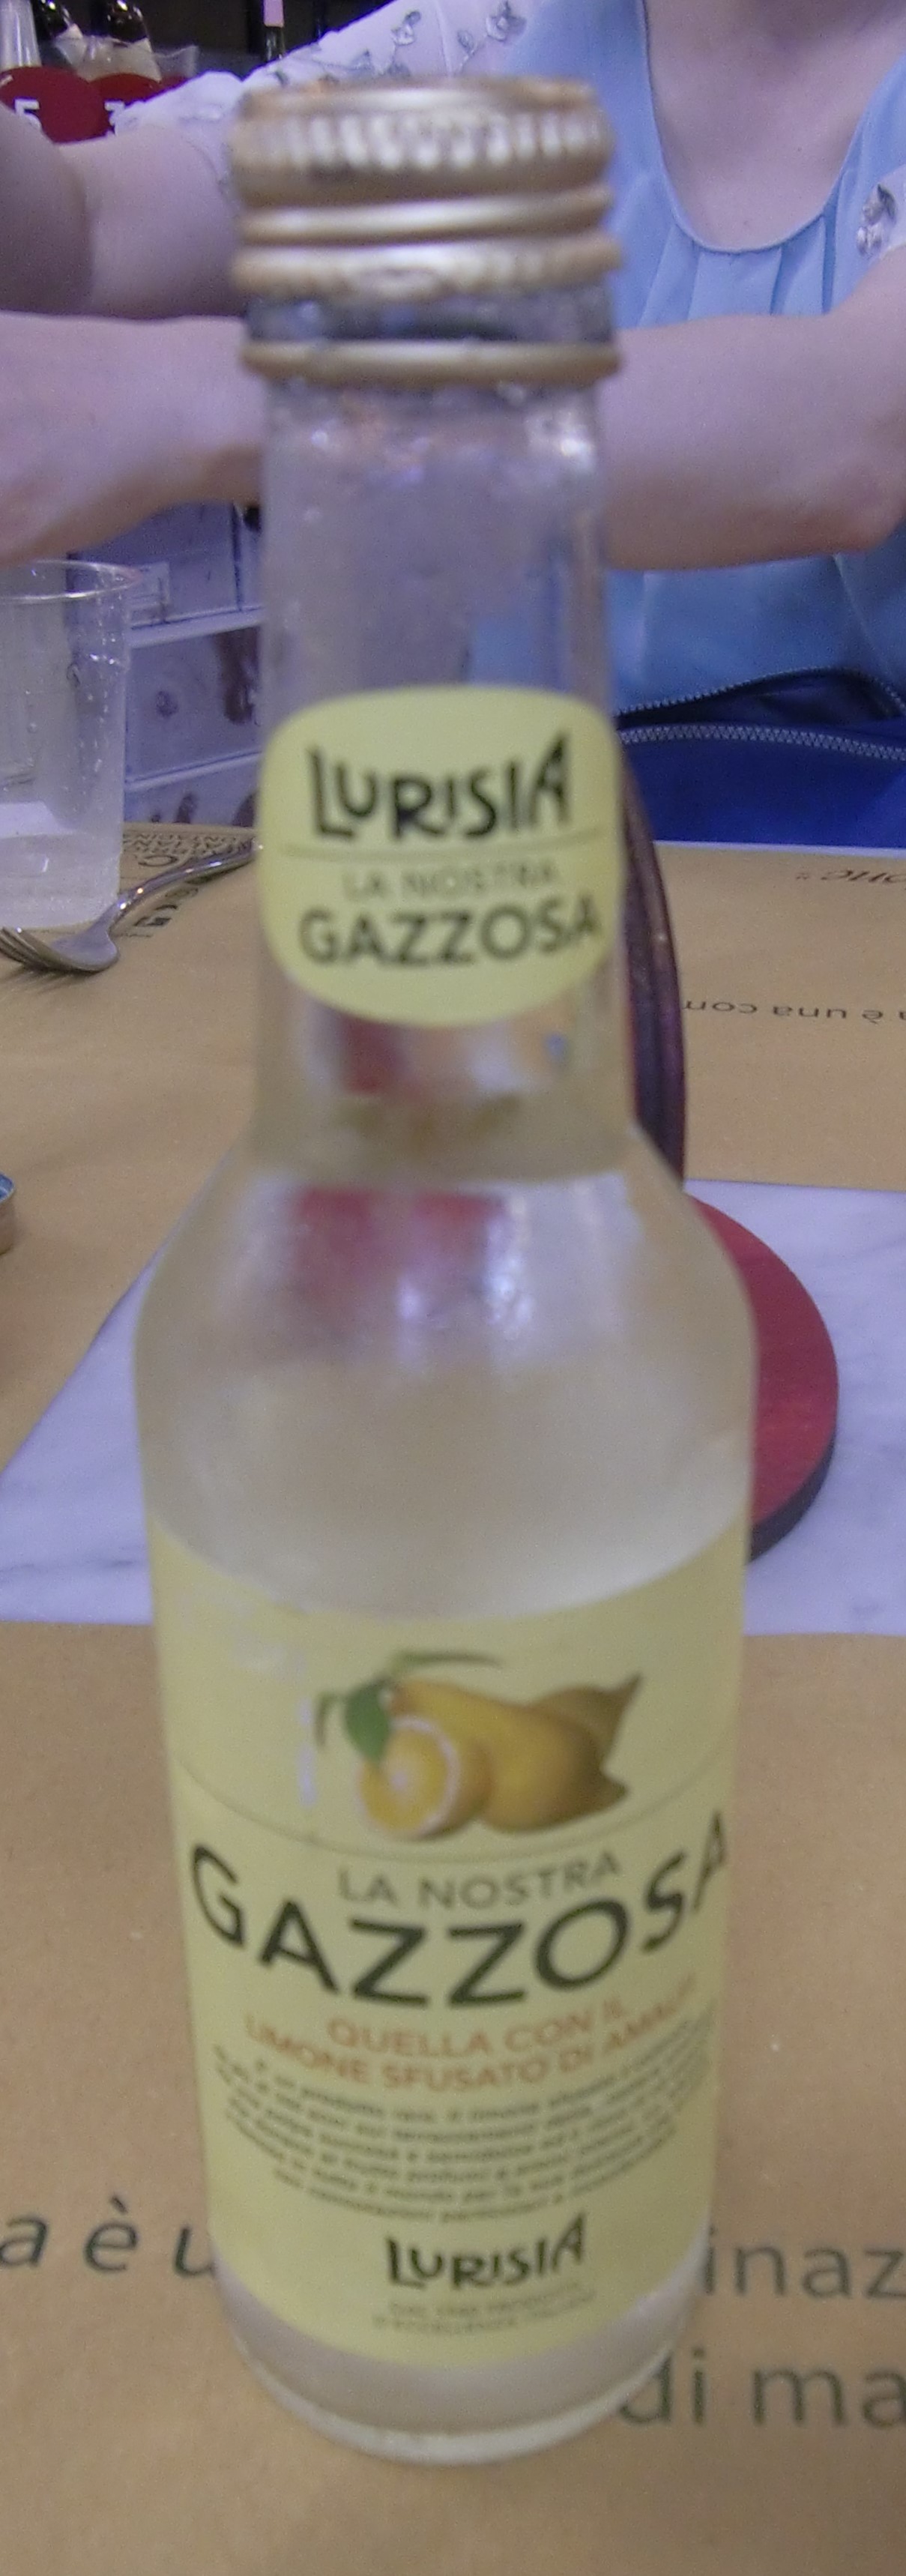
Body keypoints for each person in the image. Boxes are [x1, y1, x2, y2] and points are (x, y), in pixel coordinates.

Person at [4, 0, 906, 715]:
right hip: (529, 844)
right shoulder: (496, 37)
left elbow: (847, 434)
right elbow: (89, 237)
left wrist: (215, 400)